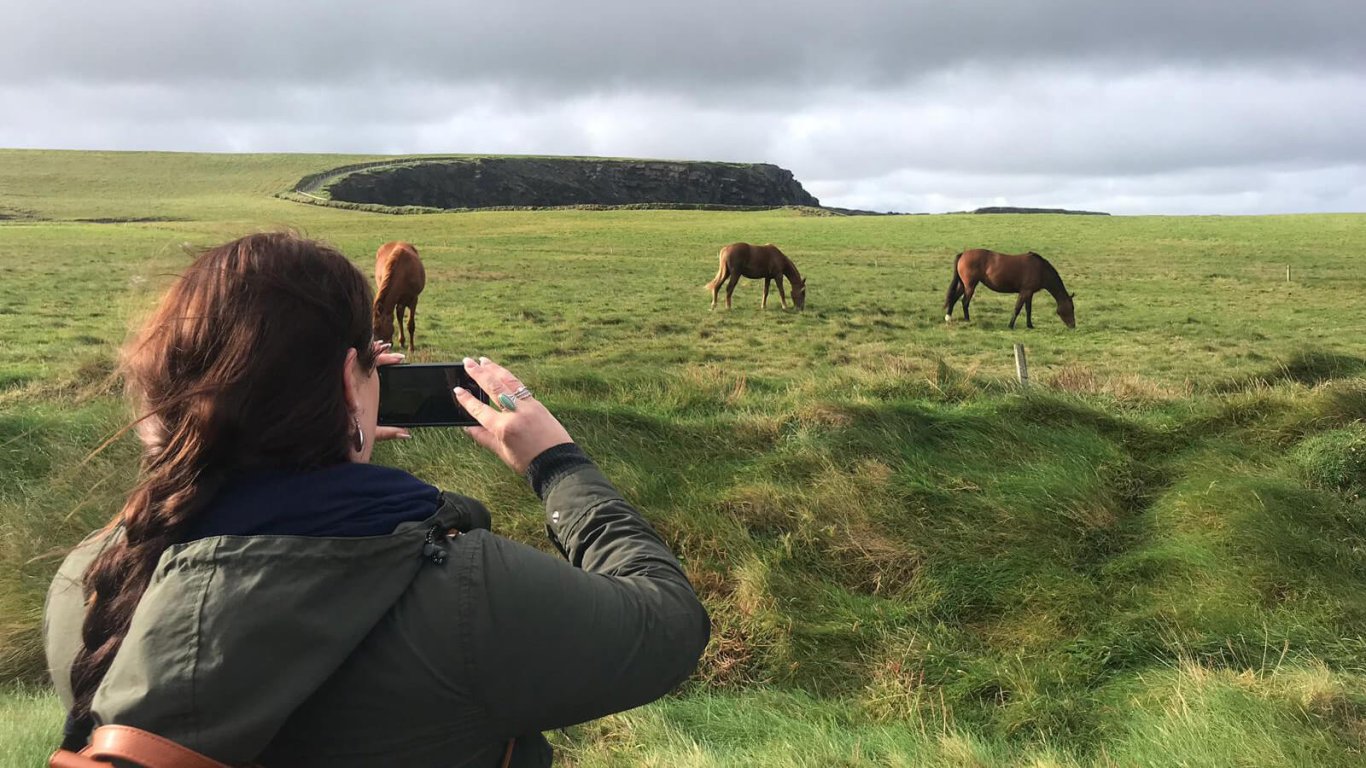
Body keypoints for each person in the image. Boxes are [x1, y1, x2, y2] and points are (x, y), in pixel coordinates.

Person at [43, 232, 710, 767]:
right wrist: (557, 463)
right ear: (347, 379)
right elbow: (670, 623)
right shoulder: (470, 601)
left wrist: (336, 447)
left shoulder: (87, 584)